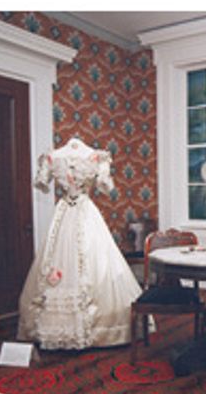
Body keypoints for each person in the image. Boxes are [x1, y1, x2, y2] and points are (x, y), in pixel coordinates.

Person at [18, 138, 142, 349]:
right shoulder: (94, 157)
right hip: (78, 210)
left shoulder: (56, 157)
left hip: (69, 211)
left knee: (86, 259)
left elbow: (41, 183)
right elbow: (105, 187)